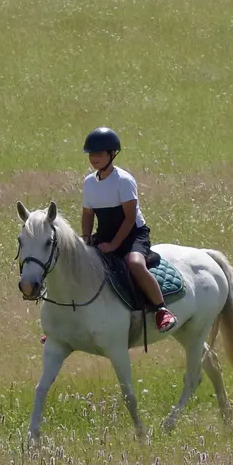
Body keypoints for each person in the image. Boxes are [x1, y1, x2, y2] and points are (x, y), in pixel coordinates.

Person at [80, 127, 177, 333]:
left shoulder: (123, 180)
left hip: (132, 235)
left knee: (134, 264)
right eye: (91, 154)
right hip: (105, 234)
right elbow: (88, 214)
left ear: (111, 154)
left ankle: (161, 309)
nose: (94, 158)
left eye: (99, 153)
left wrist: (114, 245)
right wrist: (86, 238)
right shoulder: (89, 183)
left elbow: (130, 218)